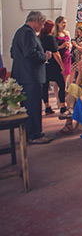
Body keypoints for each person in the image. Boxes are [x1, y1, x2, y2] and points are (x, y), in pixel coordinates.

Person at [10, 11, 53, 144]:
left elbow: (13, 52)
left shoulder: (20, 32)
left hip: (24, 76)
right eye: (41, 23)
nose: (42, 27)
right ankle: (34, 135)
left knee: (28, 107)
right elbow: (31, 54)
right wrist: (45, 57)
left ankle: (30, 133)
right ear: (35, 21)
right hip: (31, 77)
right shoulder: (28, 33)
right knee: (33, 106)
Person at [40, 20, 68, 115]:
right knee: (61, 84)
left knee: (45, 86)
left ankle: (47, 106)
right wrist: (61, 65)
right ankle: (62, 105)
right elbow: (56, 53)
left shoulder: (39, 38)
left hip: (44, 65)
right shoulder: (50, 38)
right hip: (53, 65)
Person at [53, 15, 72, 86]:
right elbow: (53, 48)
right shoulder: (54, 34)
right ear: (58, 23)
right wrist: (61, 46)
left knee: (65, 78)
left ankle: (63, 94)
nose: (65, 25)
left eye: (65, 23)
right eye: (63, 23)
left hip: (67, 57)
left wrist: (69, 45)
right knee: (58, 78)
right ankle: (57, 96)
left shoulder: (66, 33)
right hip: (59, 57)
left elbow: (70, 43)